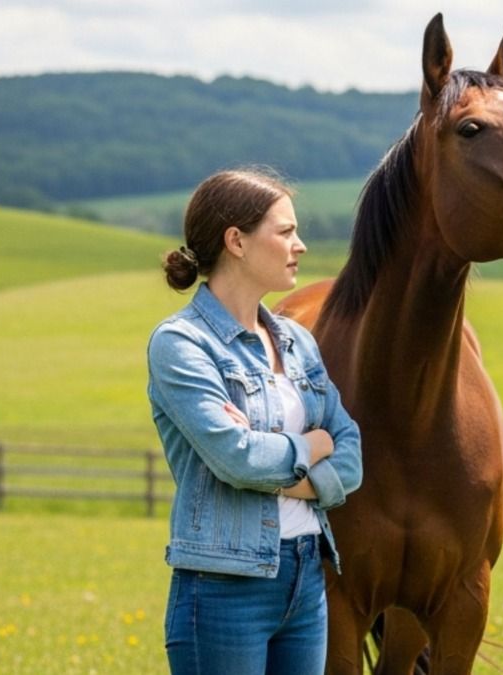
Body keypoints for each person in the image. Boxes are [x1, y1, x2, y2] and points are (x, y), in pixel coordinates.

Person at [147, 167, 362, 674]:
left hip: (307, 577)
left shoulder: (297, 341)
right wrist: (312, 446)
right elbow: (238, 459)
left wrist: (276, 465)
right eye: (285, 231)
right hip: (225, 586)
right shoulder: (181, 344)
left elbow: (350, 451)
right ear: (237, 242)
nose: (300, 245)